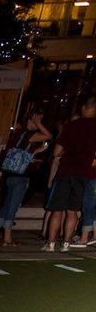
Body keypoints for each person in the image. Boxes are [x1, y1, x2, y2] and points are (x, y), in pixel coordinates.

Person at [0, 109, 51, 246]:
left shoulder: (18, 134)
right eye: (38, 120)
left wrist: (37, 151)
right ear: (31, 119)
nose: (39, 123)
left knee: (6, 205)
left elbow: (21, 154)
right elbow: (49, 135)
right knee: (13, 207)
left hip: (9, 174)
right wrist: (38, 123)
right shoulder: (29, 135)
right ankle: (7, 238)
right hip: (20, 176)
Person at [44, 95, 96, 252]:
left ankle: (51, 243)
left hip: (66, 172)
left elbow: (56, 152)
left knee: (57, 210)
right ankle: (66, 243)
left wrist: (66, 151)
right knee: (72, 211)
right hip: (84, 173)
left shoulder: (72, 126)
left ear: (84, 108)